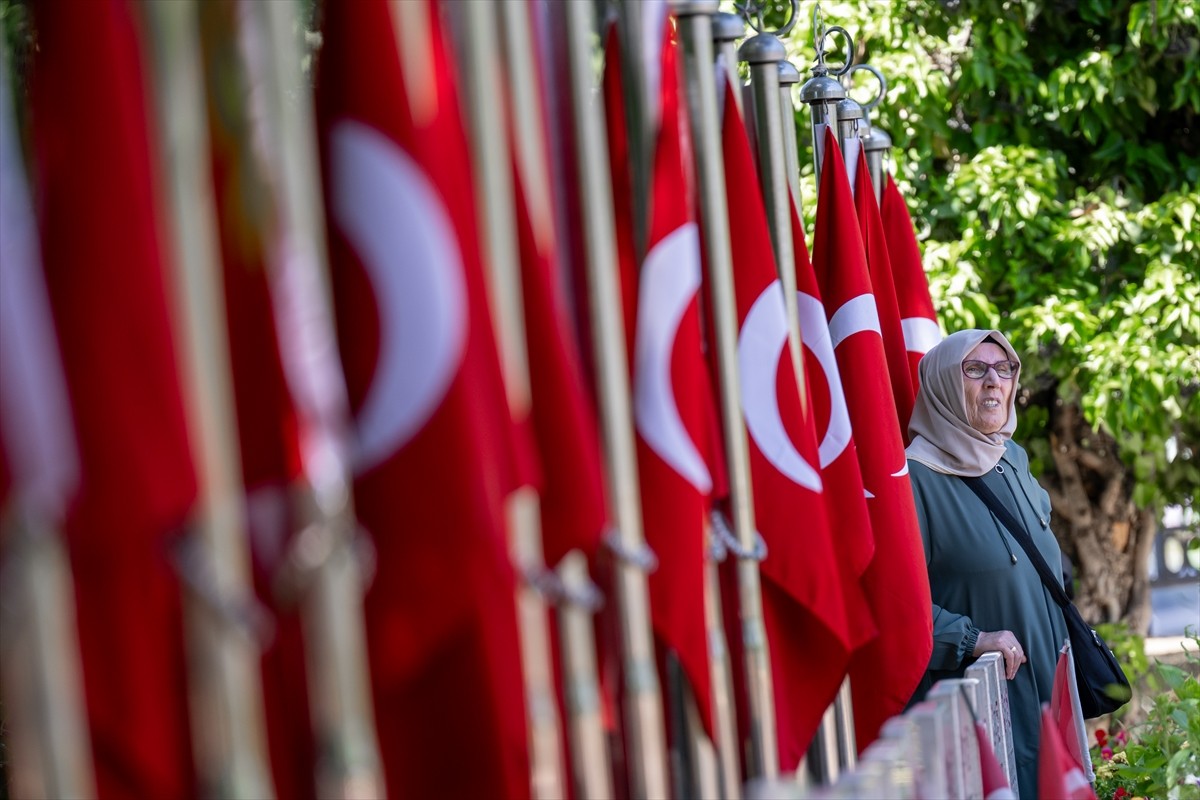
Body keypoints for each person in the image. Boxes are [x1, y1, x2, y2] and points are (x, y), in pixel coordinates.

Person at [905, 329, 1070, 800]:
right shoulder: (915, 479)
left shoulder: (1010, 456)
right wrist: (973, 639)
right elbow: (897, 603)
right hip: (984, 707)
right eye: (975, 370)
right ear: (942, 385)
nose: (994, 382)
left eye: (1005, 369)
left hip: (1048, 693)